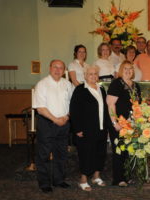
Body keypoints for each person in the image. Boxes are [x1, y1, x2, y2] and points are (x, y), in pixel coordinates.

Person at [70, 65, 111, 191]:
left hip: (101, 128)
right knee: (86, 154)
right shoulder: (80, 90)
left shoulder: (101, 89)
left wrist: (108, 127)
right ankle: (83, 179)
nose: (93, 76)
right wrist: (77, 129)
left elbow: (105, 109)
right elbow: (74, 110)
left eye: (95, 74)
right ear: (85, 76)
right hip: (86, 129)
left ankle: (96, 176)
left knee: (100, 153)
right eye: (90, 74)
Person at [33, 59, 72, 193]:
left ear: (64, 70)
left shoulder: (68, 84)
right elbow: (40, 108)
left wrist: (66, 117)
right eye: (55, 67)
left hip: (64, 123)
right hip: (47, 124)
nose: (57, 70)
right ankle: (44, 183)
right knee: (43, 155)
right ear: (50, 68)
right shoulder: (42, 84)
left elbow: (72, 105)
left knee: (61, 154)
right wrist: (55, 119)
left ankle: (59, 180)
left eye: (61, 68)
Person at [107, 60, 142, 187]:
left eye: (130, 69)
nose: (128, 71)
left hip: (132, 123)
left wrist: (137, 121)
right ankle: (118, 178)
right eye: (125, 68)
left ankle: (127, 176)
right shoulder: (116, 83)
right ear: (121, 70)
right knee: (119, 151)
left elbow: (138, 105)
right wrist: (114, 122)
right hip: (119, 123)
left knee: (129, 150)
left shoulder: (136, 85)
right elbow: (111, 104)